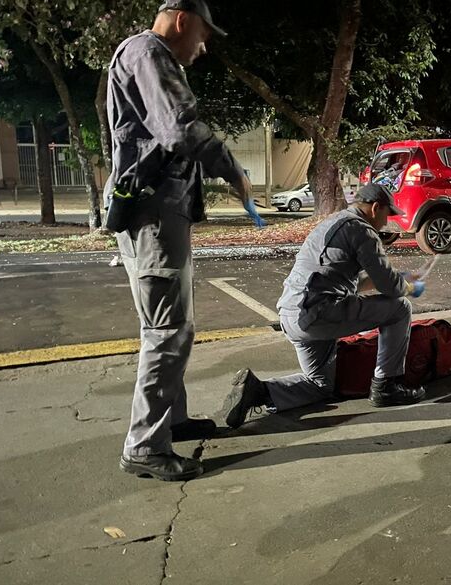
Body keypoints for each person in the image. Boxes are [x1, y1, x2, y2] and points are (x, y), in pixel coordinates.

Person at [107, 0, 265, 482]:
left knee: (171, 326)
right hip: (154, 217)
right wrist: (233, 170)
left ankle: (170, 422)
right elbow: (180, 128)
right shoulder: (149, 53)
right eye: (203, 34)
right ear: (182, 20)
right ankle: (144, 445)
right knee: (167, 330)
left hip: (159, 215)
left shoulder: (143, 56)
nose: (204, 45)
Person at [222, 184, 427, 428]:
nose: (385, 223)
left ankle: (258, 391)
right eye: (386, 215)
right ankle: (387, 386)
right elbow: (392, 289)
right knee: (400, 307)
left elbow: (346, 280)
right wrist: (408, 288)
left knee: (319, 385)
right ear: (375, 208)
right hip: (319, 314)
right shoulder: (362, 230)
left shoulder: (333, 223)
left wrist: (396, 278)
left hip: (292, 314)